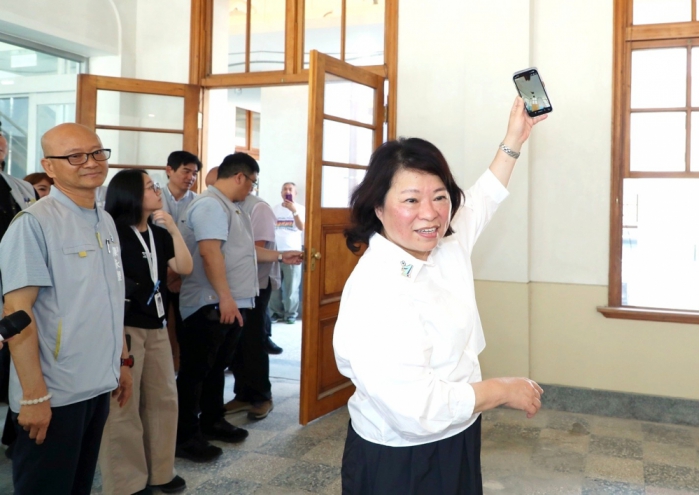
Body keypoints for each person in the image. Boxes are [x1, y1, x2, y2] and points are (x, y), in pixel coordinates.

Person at [334, 97, 546, 495]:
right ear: (377, 206)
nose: (430, 213)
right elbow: (417, 407)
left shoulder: (444, 243)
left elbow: (483, 196)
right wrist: (502, 390)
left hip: (459, 431)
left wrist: (515, 137)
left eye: (440, 196)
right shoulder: (375, 290)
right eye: (411, 200)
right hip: (401, 455)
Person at [0, 123, 132, 495]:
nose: (90, 162)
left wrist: (123, 361)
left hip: (97, 383)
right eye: (75, 156)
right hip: (55, 393)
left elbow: (109, 297)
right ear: (50, 166)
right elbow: (17, 312)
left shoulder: (105, 219)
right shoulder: (34, 224)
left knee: (78, 486)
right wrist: (34, 396)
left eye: (97, 152)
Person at [175, 153, 302, 462]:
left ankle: (212, 421)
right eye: (252, 182)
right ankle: (185, 436)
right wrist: (225, 297)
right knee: (197, 372)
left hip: (229, 302)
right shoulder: (210, 205)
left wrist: (281, 257)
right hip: (210, 303)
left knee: (216, 368)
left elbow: (243, 251)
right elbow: (209, 253)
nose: (252, 189)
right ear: (239, 177)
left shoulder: (232, 206)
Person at [99, 169, 193, 494]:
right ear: (132, 196)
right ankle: (126, 482)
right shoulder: (113, 233)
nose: (158, 191)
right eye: (151, 187)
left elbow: (185, 267)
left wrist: (174, 229)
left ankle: (160, 472)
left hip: (157, 325)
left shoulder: (159, 233)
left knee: (163, 399)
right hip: (125, 327)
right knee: (124, 404)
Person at [224, 172, 283, 421]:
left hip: (256, 284)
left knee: (253, 340)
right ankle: (243, 394)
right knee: (236, 341)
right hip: (234, 285)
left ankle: (261, 396)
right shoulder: (227, 205)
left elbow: (255, 250)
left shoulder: (258, 208)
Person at [0, 130, 39, 459]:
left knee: (15, 359)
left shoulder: (21, 187)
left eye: (2, 143)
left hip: (15, 283)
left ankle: (16, 434)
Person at [161, 151, 201, 368]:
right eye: (186, 171)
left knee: (187, 329)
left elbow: (196, 242)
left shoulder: (198, 202)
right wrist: (166, 274)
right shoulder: (154, 197)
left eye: (194, 173)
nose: (191, 177)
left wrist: (176, 273)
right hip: (158, 273)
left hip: (186, 273)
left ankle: (182, 371)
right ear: (169, 170)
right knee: (158, 327)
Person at [269, 182, 305, 324]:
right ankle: (275, 312)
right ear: (281, 193)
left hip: (293, 252)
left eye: (290, 189)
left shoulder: (301, 209)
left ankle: (291, 313)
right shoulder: (274, 209)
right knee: (274, 285)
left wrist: (294, 211)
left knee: (292, 287)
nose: (287, 191)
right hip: (275, 252)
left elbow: (302, 227)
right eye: (285, 189)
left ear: (295, 193)